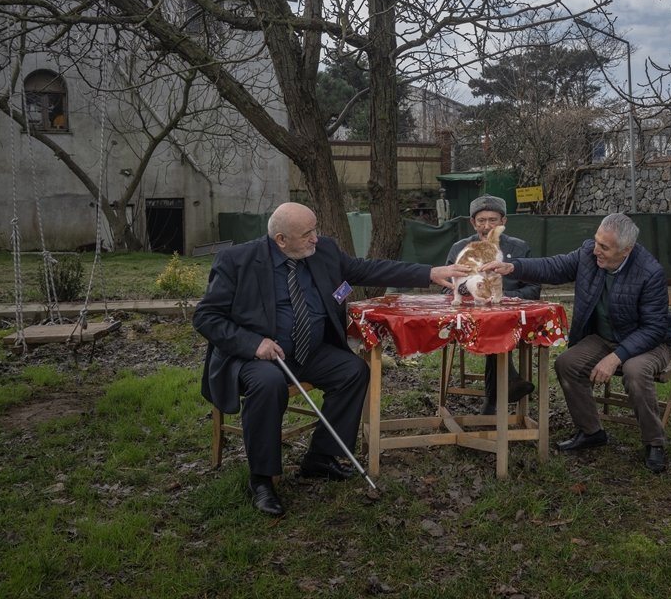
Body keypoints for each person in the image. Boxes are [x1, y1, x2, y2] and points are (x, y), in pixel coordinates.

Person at [193, 202, 469, 516]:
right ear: (281, 239)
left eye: (315, 230)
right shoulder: (236, 261)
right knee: (268, 384)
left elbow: (368, 269)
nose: (315, 239)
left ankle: (321, 457)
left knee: (352, 370)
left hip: (308, 351)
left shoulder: (323, 251)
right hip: (256, 358)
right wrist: (254, 343)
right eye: (307, 234)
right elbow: (206, 317)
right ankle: (262, 479)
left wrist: (430, 272)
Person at [481, 213, 671, 473]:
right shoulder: (588, 254)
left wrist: (616, 357)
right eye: (596, 241)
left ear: (626, 249)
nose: (596, 250)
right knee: (567, 363)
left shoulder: (650, 272)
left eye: (604, 247)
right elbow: (554, 267)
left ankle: (654, 442)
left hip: (650, 343)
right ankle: (591, 431)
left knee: (634, 371)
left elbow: (654, 328)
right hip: (605, 337)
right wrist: (513, 267)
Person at [443, 195, 542, 415]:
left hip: (511, 316)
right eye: (481, 220)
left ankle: (492, 402)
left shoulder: (519, 248)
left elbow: (534, 289)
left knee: (496, 325)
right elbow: (447, 287)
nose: (486, 226)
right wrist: (474, 292)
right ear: (472, 222)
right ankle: (508, 383)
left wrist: (503, 296)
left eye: (493, 220)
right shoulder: (461, 248)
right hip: (472, 317)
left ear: (503, 222)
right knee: (491, 326)